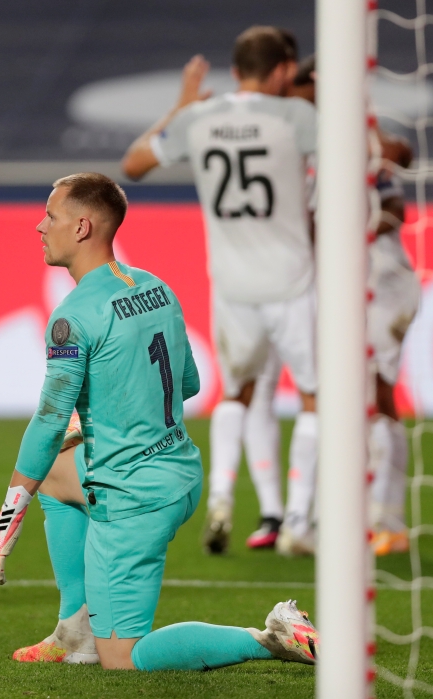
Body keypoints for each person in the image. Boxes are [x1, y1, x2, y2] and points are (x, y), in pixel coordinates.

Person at [0, 173, 318, 670]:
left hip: (134, 498)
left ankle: (268, 637)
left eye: (50, 216)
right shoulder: (155, 286)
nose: (39, 225)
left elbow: (51, 419)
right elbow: (189, 383)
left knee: (123, 658)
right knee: (55, 473)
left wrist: (7, 517)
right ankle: (75, 632)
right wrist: (110, 422)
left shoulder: (72, 317)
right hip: (180, 472)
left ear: (81, 227)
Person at [122, 26, 319, 556]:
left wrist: (180, 107)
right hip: (294, 279)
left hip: (231, 284)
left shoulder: (199, 119)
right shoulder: (297, 118)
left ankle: (223, 499)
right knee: (315, 396)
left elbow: (133, 165)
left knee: (237, 394)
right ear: (282, 71)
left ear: (234, 72)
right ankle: (300, 518)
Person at [287, 55, 420, 555]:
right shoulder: (309, 147)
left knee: (378, 394)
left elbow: (395, 203)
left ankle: (390, 520)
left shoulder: (357, 137)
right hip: (342, 286)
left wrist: (354, 234)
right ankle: (334, 515)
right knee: (347, 398)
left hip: (382, 283)